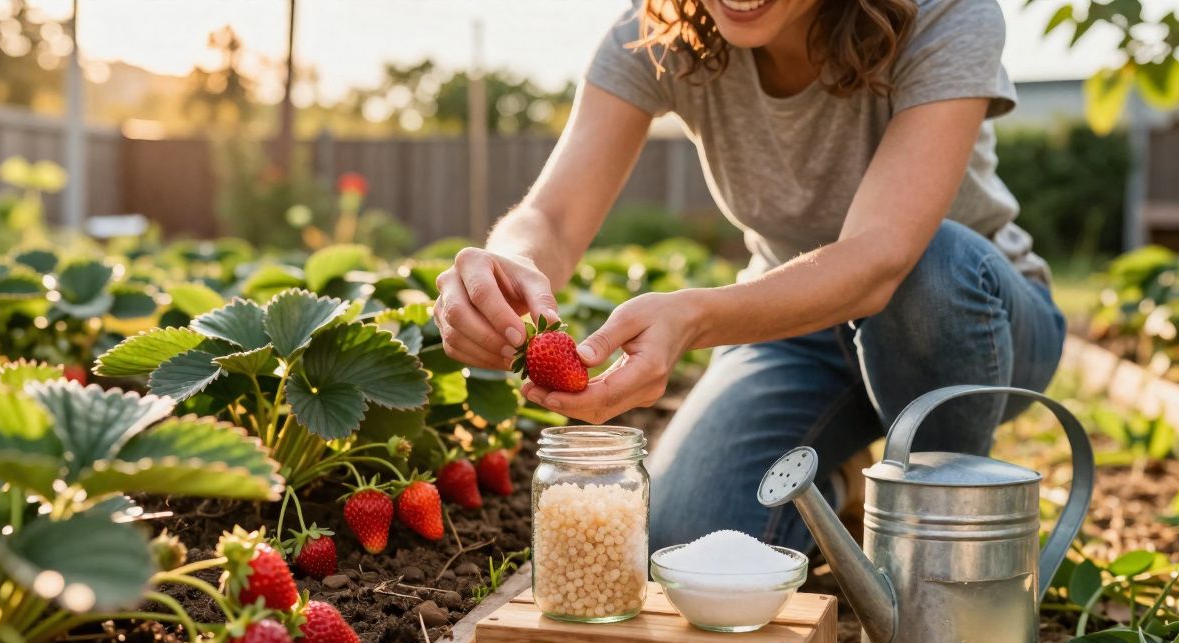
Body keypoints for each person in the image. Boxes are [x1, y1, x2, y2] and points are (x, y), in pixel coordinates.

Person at [431, 0, 1066, 553]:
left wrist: (694, 318)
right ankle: (837, 479)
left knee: (932, 267)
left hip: (966, 319)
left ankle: (943, 533)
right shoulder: (660, 28)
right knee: (687, 540)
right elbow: (553, 216)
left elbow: (880, 258)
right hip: (790, 326)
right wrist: (510, 264)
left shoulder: (945, 11)